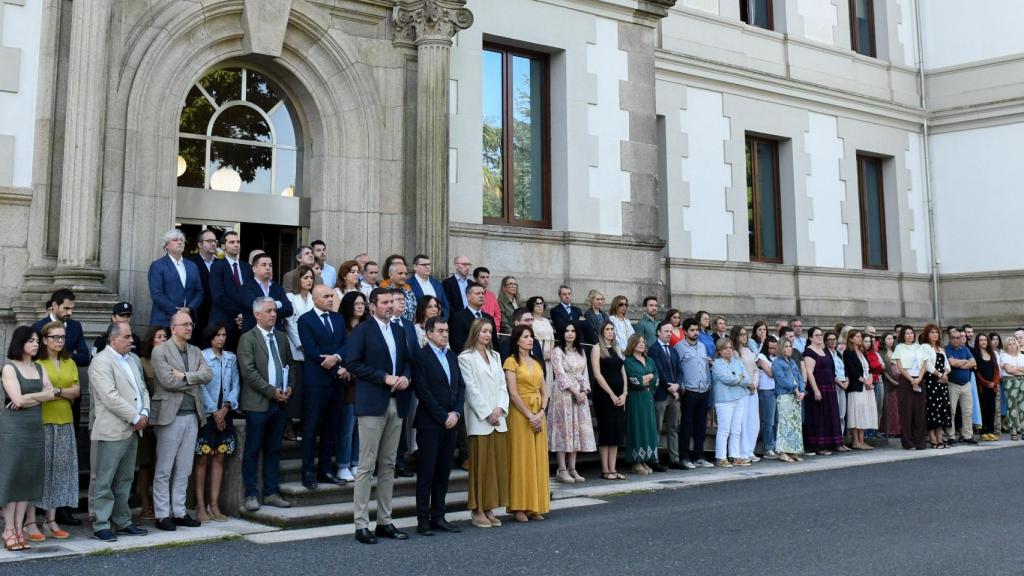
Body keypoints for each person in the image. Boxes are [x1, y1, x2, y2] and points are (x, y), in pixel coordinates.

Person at [346, 288, 413, 544]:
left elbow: (407, 360)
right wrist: (383, 377)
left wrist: (406, 376)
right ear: (372, 306)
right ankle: (361, 524)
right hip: (372, 403)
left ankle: (385, 520)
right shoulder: (363, 330)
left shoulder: (398, 330)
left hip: (397, 402)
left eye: (391, 302)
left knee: (388, 465)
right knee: (366, 465)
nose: (389, 306)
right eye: (384, 302)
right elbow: (352, 363)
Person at [87, 322, 151, 542]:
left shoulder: (132, 359)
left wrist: (144, 412)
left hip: (133, 429)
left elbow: (142, 388)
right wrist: (135, 417)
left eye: (131, 336)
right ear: (113, 339)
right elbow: (109, 396)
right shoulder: (100, 362)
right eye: (127, 337)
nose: (132, 340)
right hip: (111, 430)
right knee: (104, 480)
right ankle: (101, 523)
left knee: (125, 478)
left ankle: (122, 521)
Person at [150, 311, 212, 530]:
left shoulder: (195, 351)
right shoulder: (160, 351)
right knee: (164, 468)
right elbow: (167, 381)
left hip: (192, 415)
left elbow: (207, 375)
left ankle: (179, 511)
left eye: (191, 324)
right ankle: (162, 514)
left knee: (184, 467)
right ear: (173, 328)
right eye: (184, 324)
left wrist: (185, 376)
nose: (189, 328)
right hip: (170, 416)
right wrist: (194, 378)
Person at [237, 297, 294, 512]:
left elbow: (290, 365)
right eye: (269, 311)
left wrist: (290, 387)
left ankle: (271, 492)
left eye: (274, 311)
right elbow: (249, 372)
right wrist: (271, 392)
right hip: (257, 403)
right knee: (253, 450)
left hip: (280, 402)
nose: (273, 314)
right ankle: (251, 494)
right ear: (257, 314)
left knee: (274, 449)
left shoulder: (281, 337)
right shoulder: (248, 338)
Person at [411, 318, 465, 536]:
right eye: (440, 331)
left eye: (447, 331)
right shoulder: (421, 357)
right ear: (429, 333)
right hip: (430, 424)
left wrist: (456, 413)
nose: (445, 334)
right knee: (427, 473)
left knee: (443, 472)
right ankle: (423, 520)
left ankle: (439, 516)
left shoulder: (452, 356)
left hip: (451, 422)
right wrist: (443, 416)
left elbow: (460, 387)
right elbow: (423, 391)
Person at [1, 327, 53, 550]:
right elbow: (16, 401)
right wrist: (36, 397)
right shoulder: (9, 368)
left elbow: (51, 394)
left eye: (36, 341)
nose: (35, 344)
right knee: (12, 477)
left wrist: (30, 396)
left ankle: (19, 527)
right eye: (30, 341)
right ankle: (9, 529)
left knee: (28, 479)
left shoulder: (40, 367)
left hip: (35, 428)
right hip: (14, 429)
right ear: (20, 342)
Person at [31, 321, 80, 541]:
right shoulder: (37, 363)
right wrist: (61, 392)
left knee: (59, 471)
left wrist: (57, 390)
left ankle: (51, 520)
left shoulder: (69, 362)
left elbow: (76, 391)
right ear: (44, 340)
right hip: (43, 421)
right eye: (55, 337)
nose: (59, 341)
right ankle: (30, 521)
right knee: (40, 472)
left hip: (65, 420)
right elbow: (40, 392)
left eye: (62, 337)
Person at [459, 319, 510, 529]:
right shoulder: (465, 357)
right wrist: (487, 412)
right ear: (475, 333)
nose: (487, 335)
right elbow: (471, 389)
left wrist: (500, 408)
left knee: (495, 466)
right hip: (480, 419)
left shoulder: (496, 356)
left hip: (498, 417)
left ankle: (489, 506)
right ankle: (477, 509)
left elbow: (502, 384)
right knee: (480, 466)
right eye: (483, 331)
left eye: (490, 331)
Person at [297, 284, 348, 489]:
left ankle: (326, 469)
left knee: (331, 427)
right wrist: (331, 365)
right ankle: (308, 471)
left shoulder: (338, 318)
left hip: (337, 381)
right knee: (311, 428)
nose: (330, 299)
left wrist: (337, 359)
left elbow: (346, 343)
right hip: (316, 382)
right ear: (315, 299)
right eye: (326, 296)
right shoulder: (305, 320)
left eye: (332, 296)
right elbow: (310, 348)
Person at [503, 325, 550, 522]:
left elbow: (545, 391)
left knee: (537, 459)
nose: (530, 339)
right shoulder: (511, 361)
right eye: (525, 336)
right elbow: (512, 393)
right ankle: (519, 506)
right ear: (517, 340)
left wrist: (540, 413)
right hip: (520, 413)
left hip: (538, 413)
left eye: (531, 336)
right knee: (521, 458)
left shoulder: (537, 362)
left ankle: (535, 504)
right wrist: (529, 415)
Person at [195, 323, 239, 522]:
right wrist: (214, 411)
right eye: (218, 335)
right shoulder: (202, 356)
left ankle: (215, 503)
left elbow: (235, 384)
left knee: (220, 456)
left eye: (224, 334)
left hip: (225, 412)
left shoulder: (231, 358)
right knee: (203, 458)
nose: (222, 338)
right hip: (208, 414)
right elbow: (201, 386)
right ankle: (200, 505)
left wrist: (226, 407)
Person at [548, 321, 597, 483]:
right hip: (563, 394)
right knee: (564, 430)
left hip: (579, 394)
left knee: (576, 430)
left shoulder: (581, 352)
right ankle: (561, 469)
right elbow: (560, 375)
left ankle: (572, 468)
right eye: (567, 330)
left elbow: (585, 374)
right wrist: (575, 391)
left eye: (573, 331)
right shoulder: (557, 351)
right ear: (562, 333)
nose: (570, 333)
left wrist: (584, 391)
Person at [135, 327, 168, 520]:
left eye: (165, 336)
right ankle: (145, 504)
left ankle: (160, 503)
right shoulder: (142, 362)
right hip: (148, 417)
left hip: (167, 416)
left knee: (161, 463)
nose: (163, 339)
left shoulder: (171, 361)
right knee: (146, 463)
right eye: (159, 337)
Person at [389, 288, 420, 478]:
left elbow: (414, 354)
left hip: (405, 383)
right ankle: (385, 464)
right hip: (385, 383)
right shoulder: (379, 325)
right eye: (397, 299)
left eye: (403, 299)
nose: (402, 302)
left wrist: (408, 377)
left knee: (401, 426)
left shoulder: (408, 325)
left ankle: (399, 463)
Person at [675, 318, 713, 469]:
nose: (695, 333)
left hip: (703, 389)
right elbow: (677, 369)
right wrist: (681, 386)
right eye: (692, 330)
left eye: (696, 330)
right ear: (685, 331)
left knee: (700, 426)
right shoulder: (679, 347)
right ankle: (684, 457)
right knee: (686, 425)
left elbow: (705, 366)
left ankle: (699, 456)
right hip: (689, 391)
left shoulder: (702, 346)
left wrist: (708, 382)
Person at [284, 265, 316, 441]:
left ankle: (304, 427)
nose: (309, 280)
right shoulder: (290, 297)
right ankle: (289, 426)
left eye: (311, 277)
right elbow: (290, 324)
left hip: (312, 352)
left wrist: (311, 346)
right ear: (298, 280)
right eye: (305, 278)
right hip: (295, 349)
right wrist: (302, 344)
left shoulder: (313, 299)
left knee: (307, 390)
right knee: (294, 388)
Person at [591, 321, 626, 479]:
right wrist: (611, 394)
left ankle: (613, 468)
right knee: (606, 431)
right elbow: (597, 374)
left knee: (617, 431)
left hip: (619, 395)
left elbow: (623, 371)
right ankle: (605, 469)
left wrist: (624, 393)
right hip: (604, 396)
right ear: (602, 331)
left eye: (612, 329)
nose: (610, 332)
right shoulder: (597, 348)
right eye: (607, 329)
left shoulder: (618, 348)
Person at [148, 228, 204, 327]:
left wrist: (189, 308)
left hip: (188, 321)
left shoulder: (192, 266)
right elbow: (157, 294)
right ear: (166, 246)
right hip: (164, 321)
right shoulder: (158, 265)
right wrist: (177, 311)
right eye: (175, 240)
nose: (180, 242)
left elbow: (199, 292)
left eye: (182, 240)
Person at [802, 327, 844, 455]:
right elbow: (809, 372)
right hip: (818, 388)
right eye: (816, 335)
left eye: (821, 334)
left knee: (831, 416)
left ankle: (835, 443)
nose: (820, 337)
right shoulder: (809, 352)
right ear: (810, 338)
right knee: (819, 417)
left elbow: (831, 371)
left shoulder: (824, 351)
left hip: (829, 388)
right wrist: (815, 390)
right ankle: (819, 446)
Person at [209, 230, 252, 352]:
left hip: (244, 323)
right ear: (223, 246)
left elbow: (249, 293)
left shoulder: (246, 267)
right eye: (232, 242)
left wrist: (244, 314)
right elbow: (218, 295)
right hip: (224, 322)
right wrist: (237, 314)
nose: (236, 245)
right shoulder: (217, 266)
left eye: (238, 242)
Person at [624, 334, 660, 475]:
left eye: (643, 342)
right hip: (635, 398)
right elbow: (634, 380)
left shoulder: (649, 360)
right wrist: (647, 377)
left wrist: (648, 378)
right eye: (638, 342)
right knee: (637, 427)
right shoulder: (628, 362)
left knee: (648, 427)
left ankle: (645, 459)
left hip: (648, 396)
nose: (641, 344)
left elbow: (656, 378)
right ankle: (636, 462)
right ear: (632, 344)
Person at [712, 337, 751, 467]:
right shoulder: (717, 364)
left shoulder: (737, 361)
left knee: (736, 429)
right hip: (724, 400)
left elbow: (747, 379)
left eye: (730, 348)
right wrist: (738, 378)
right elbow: (726, 379)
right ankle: (721, 457)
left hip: (739, 398)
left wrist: (738, 379)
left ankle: (735, 456)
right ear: (719, 351)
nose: (728, 350)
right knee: (724, 429)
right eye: (725, 348)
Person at [649, 321, 682, 470]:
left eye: (670, 331)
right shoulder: (653, 350)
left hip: (674, 395)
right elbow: (658, 372)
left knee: (673, 427)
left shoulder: (673, 350)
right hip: (661, 394)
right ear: (658, 332)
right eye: (666, 331)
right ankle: (653, 459)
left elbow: (680, 370)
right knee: (656, 427)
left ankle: (674, 459)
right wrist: (669, 387)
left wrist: (677, 385)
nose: (669, 334)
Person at [32, 288, 90, 366]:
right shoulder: (38, 327)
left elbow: (85, 358)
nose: (70, 312)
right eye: (66, 308)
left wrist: (63, 356)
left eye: (72, 309)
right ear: (54, 305)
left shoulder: (75, 326)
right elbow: (31, 356)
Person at [892, 326, 927, 450]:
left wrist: (919, 378)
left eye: (912, 333)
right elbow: (900, 367)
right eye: (907, 333)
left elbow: (924, 364)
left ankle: (920, 442)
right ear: (903, 335)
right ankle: (908, 442)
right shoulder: (899, 348)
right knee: (906, 411)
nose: (910, 335)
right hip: (906, 380)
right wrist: (912, 380)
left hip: (919, 379)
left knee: (920, 411)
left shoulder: (919, 347)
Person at [239, 254, 294, 332]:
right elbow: (254, 308)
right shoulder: (246, 288)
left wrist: (265, 309)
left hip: (276, 334)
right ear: (254, 269)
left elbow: (289, 309)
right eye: (264, 265)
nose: (268, 268)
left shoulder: (277, 287)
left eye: (270, 265)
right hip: (254, 335)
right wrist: (277, 304)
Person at [771, 338, 805, 463]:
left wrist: (802, 391)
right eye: (786, 346)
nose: (789, 348)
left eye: (790, 346)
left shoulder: (793, 362)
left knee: (795, 425)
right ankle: (782, 451)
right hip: (785, 396)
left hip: (796, 396)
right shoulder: (776, 363)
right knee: (785, 424)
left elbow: (799, 377)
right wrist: (795, 389)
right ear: (780, 348)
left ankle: (793, 450)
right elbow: (781, 380)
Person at [842, 329, 877, 450]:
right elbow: (852, 371)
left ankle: (862, 440)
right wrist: (865, 381)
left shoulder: (863, 352)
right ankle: (855, 441)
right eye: (857, 337)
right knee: (856, 413)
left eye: (860, 336)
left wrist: (870, 380)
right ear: (851, 339)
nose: (859, 339)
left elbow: (870, 369)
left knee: (864, 413)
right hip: (857, 387)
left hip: (867, 386)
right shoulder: (848, 353)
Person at [731, 325, 760, 463]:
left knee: (753, 422)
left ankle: (750, 450)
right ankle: (742, 452)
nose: (744, 336)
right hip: (742, 390)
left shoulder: (749, 350)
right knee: (741, 422)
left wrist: (754, 384)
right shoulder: (734, 353)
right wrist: (748, 384)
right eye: (741, 334)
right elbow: (737, 371)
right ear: (736, 336)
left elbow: (755, 370)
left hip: (753, 390)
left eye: (745, 334)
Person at [920, 324, 952, 449]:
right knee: (932, 409)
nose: (934, 334)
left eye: (936, 332)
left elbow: (947, 365)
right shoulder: (925, 347)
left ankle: (940, 436)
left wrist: (945, 375)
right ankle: (932, 438)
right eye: (932, 332)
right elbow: (927, 365)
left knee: (942, 408)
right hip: (931, 381)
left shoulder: (940, 348)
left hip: (942, 382)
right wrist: (939, 375)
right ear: (927, 334)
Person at [944, 327, 977, 445]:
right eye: (954, 338)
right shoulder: (946, 349)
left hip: (966, 385)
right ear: (949, 338)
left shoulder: (965, 348)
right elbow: (951, 363)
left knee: (968, 411)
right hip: (953, 384)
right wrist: (964, 362)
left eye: (959, 337)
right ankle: (950, 436)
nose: (957, 340)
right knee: (951, 411)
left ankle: (968, 435)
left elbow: (974, 363)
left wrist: (959, 363)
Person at [187, 229, 219, 342]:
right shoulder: (190, 263)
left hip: (217, 317)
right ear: (200, 244)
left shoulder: (221, 263)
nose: (213, 244)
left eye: (215, 241)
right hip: (198, 316)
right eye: (209, 241)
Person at [449, 282, 497, 355]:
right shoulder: (458, 317)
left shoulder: (489, 317)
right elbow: (457, 345)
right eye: (477, 294)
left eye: (482, 293)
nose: (481, 296)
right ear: (468, 297)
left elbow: (495, 343)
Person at [973, 334, 1000, 440]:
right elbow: (977, 372)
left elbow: (996, 370)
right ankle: (983, 432)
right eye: (981, 340)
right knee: (983, 408)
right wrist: (985, 382)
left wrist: (995, 382)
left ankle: (990, 431)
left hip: (992, 386)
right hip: (982, 387)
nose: (983, 342)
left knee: (991, 409)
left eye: (985, 340)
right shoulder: (976, 354)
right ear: (977, 342)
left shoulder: (991, 353)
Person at [756, 336, 778, 459]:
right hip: (766, 390)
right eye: (770, 348)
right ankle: (768, 448)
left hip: (776, 389)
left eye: (775, 348)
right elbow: (771, 373)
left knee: (776, 421)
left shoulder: (776, 357)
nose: (772, 350)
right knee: (768, 421)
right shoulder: (761, 357)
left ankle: (775, 446)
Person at [409, 254, 450, 320]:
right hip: (418, 325)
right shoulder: (409, 283)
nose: (427, 267)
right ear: (415, 267)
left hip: (437, 324)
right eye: (424, 265)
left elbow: (445, 305)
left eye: (429, 264)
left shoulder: (437, 283)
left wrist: (443, 320)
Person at [999, 336, 1024, 440]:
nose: (1012, 346)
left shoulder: (1021, 356)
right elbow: (1009, 370)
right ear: (1006, 346)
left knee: (1023, 407)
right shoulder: (1004, 355)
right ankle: (1013, 431)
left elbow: (1013, 369)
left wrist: (1015, 369)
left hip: (1022, 381)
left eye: (1014, 343)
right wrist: (1020, 370)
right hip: (1010, 381)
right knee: (1012, 407)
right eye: (1009, 344)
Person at [826, 331, 849, 439]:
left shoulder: (838, 353)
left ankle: (840, 438)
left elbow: (845, 369)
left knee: (842, 414)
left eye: (834, 339)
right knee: (833, 413)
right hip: (834, 384)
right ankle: (834, 438)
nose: (832, 341)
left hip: (843, 385)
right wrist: (840, 383)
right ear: (826, 341)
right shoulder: (825, 353)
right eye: (829, 339)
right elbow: (829, 371)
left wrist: (847, 382)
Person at [863, 334, 885, 438]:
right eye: (865, 341)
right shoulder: (860, 354)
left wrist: (877, 367)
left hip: (878, 380)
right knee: (868, 407)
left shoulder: (875, 353)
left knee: (878, 407)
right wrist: (876, 367)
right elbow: (873, 367)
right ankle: (866, 432)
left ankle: (874, 431)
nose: (867, 343)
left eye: (869, 342)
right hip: (867, 382)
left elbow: (882, 367)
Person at [527, 296, 555, 375]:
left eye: (541, 303)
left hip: (549, 356)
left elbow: (552, 338)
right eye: (537, 304)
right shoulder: (530, 321)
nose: (540, 306)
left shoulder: (546, 320)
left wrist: (551, 352)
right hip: (536, 354)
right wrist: (541, 353)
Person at [880, 332, 901, 439]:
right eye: (888, 339)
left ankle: (899, 429)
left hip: (900, 382)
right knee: (891, 407)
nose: (891, 340)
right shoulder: (881, 353)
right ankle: (891, 430)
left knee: (899, 407)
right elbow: (884, 371)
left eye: (892, 339)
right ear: (884, 340)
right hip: (889, 383)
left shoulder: (897, 351)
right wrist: (892, 381)